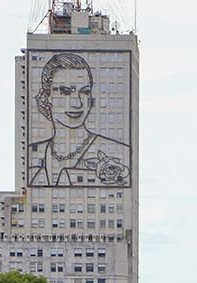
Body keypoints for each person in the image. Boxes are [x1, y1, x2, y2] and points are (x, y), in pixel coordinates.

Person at [28, 53, 131, 187]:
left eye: (85, 92)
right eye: (66, 92)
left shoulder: (120, 151)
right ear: (47, 96)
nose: (77, 103)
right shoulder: (31, 154)